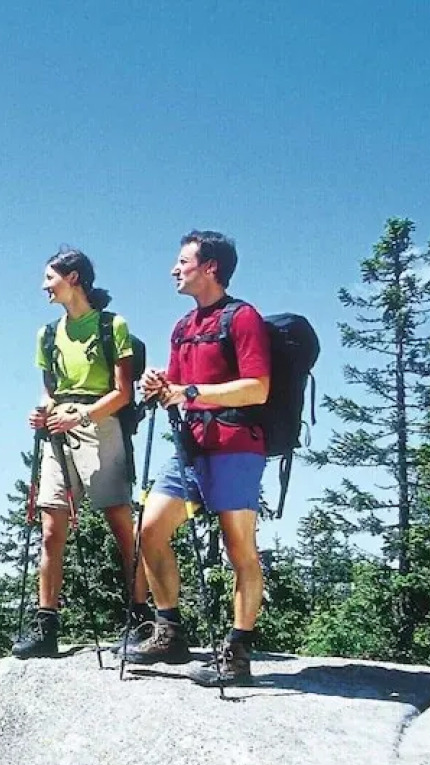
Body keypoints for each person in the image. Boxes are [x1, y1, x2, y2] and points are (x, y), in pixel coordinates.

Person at [122, 230, 270, 685]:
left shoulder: (243, 318)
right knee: (149, 529)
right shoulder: (183, 328)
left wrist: (188, 391)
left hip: (235, 446)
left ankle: (238, 651)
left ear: (210, 267)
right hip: (191, 445)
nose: (174, 269)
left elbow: (257, 387)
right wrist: (160, 384)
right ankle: (170, 631)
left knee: (238, 546)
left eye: (182, 261)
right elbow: (179, 385)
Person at [15, 248, 150, 658]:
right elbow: (49, 390)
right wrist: (43, 410)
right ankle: (46, 625)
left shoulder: (113, 326)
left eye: (50, 277)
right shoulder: (47, 333)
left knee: (119, 523)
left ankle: (141, 619)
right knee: (51, 529)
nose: (44, 286)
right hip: (58, 429)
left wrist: (82, 416)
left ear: (73, 278)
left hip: (100, 424)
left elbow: (123, 392)